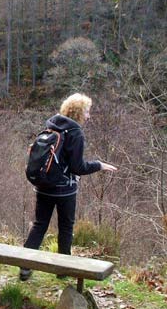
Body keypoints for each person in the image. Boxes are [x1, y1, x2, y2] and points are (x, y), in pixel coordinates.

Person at [19, 93, 117, 281]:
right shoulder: (75, 132)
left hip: (43, 185)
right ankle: (63, 269)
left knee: (40, 225)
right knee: (65, 227)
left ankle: (25, 265)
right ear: (79, 113)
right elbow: (77, 167)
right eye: (87, 112)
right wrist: (99, 165)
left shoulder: (51, 126)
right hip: (64, 190)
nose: (89, 116)